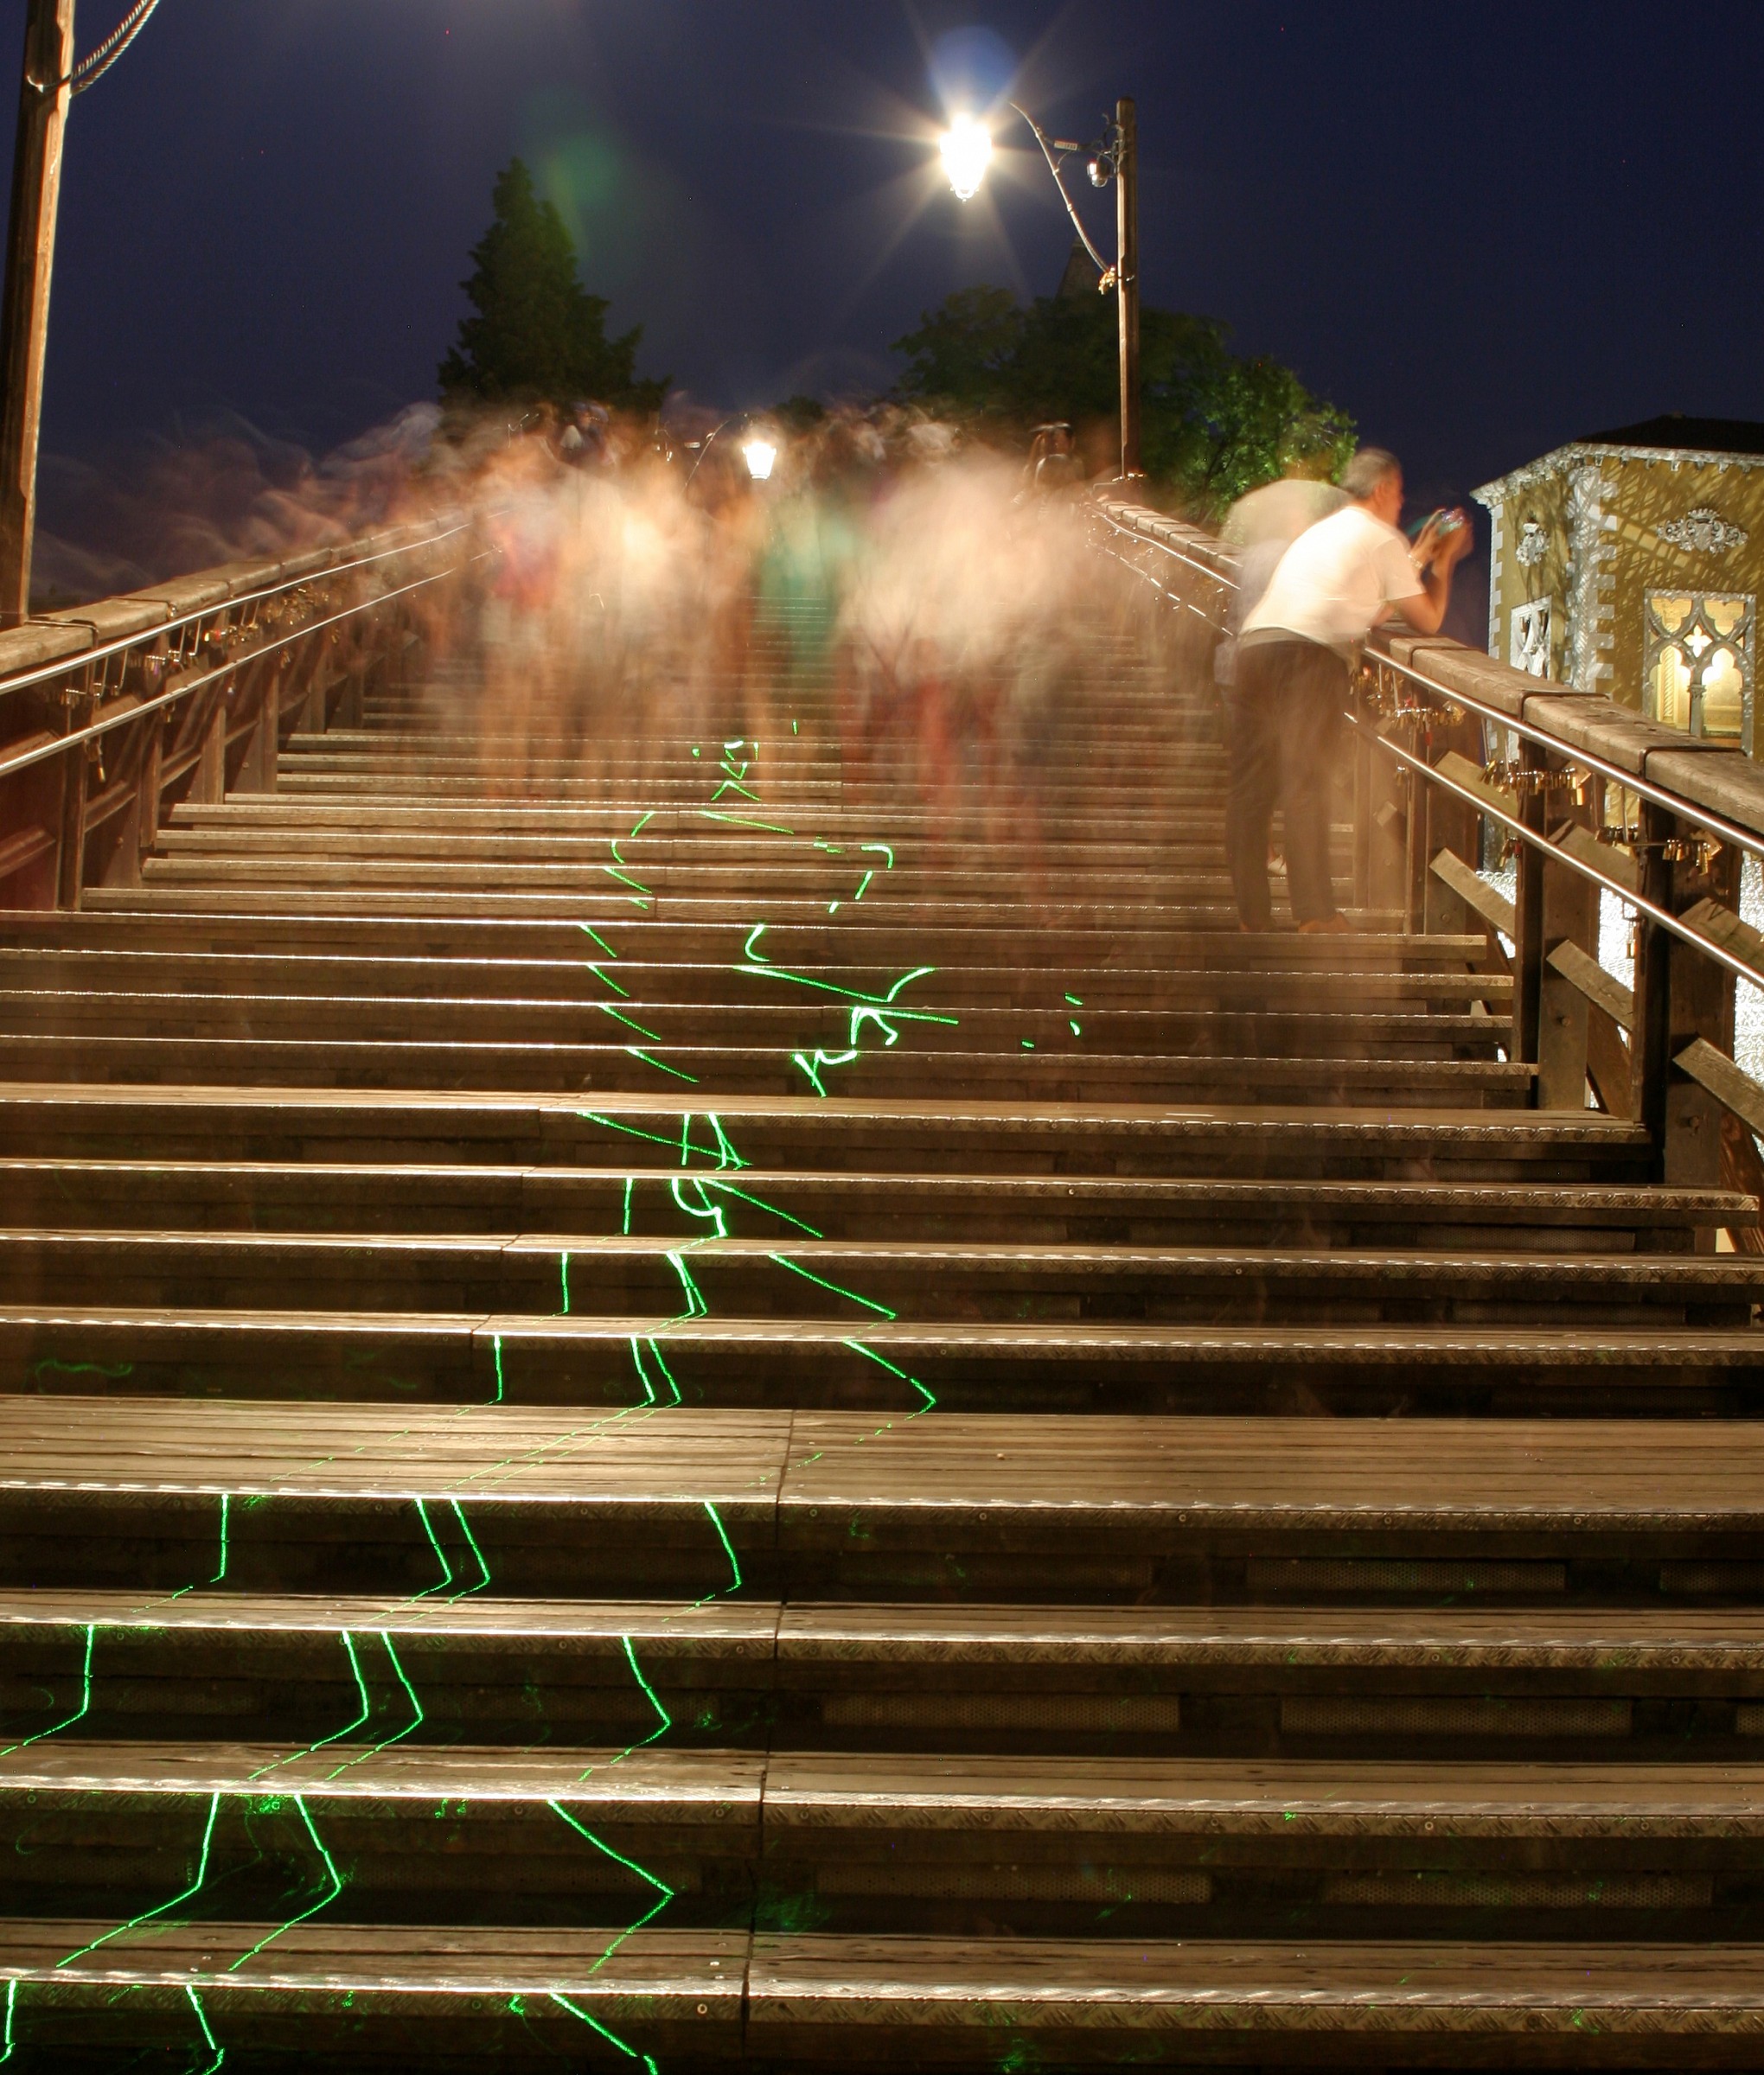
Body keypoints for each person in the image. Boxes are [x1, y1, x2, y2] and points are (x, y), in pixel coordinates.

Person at [1226, 445, 1471, 932]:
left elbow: (1368, 606)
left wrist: (1416, 554)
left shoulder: (1325, 532)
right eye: (1399, 495)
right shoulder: (1381, 537)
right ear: (1382, 489)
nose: (1400, 506)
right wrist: (1442, 566)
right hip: (1308, 656)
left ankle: (1252, 916)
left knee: (1252, 790)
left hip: (1255, 646)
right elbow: (1425, 618)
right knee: (1304, 782)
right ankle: (1316, 915)